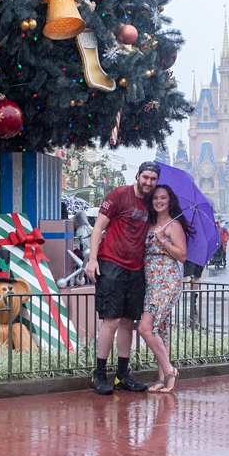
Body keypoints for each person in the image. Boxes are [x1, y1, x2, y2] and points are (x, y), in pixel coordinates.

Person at [85, 162, 159, 395]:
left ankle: (122, 376)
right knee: (112, 320)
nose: (148, 182)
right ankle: (98, 375)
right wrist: (93, 259)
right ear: (137, 175)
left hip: (136, 269)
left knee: (128, 322)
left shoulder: (151, 204)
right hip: (112, 264)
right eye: (145, 177)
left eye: (153, 179)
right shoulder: (118, 195)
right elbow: (98, 227)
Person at [139, 185, 190, 393]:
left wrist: (162, 241)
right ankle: (163, 379)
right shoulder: (150, 223)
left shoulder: (173, 225)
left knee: (145, 328)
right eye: (156, 198)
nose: (159, 201)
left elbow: (182, 255)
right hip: (151, 281)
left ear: (170, 200)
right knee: (161, 330)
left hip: (167, 280)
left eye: (163, 198)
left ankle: (169, 370)